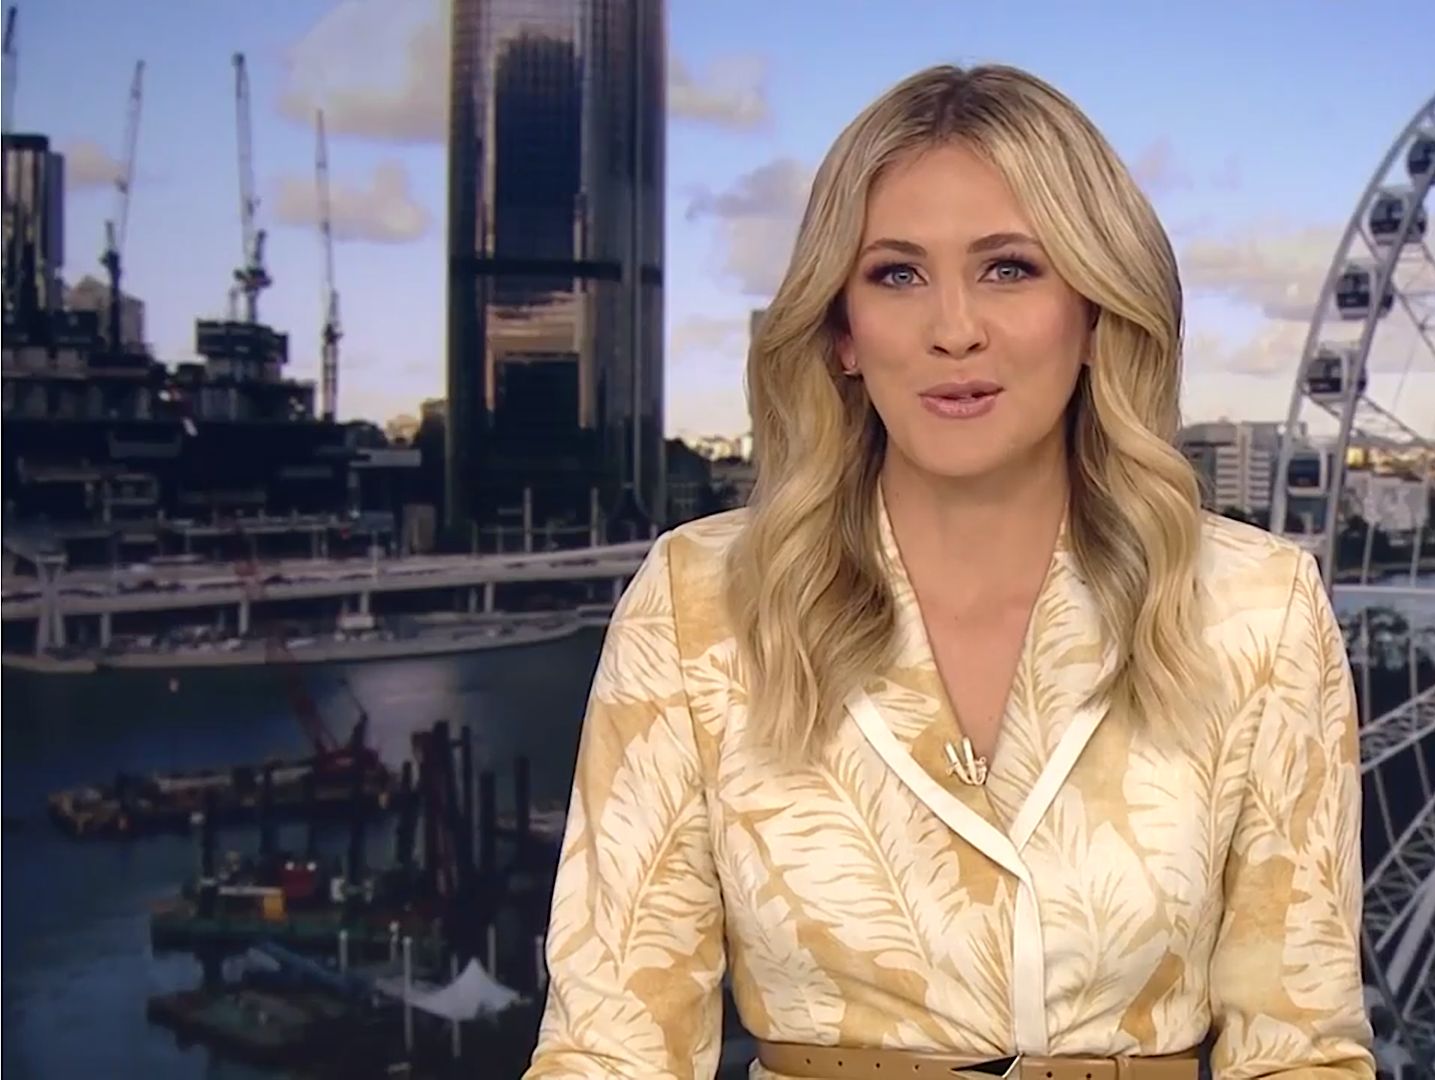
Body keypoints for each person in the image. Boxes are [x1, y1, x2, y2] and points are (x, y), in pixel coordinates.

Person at [524, 63, 1375, 1080]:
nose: (955, 328)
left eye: (1010, 268)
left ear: (1095, 313)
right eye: (897, 275)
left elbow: (1298, 1050)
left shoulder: (1255, 609)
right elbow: (610, 1048)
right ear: (842, 331)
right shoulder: (699, 603)